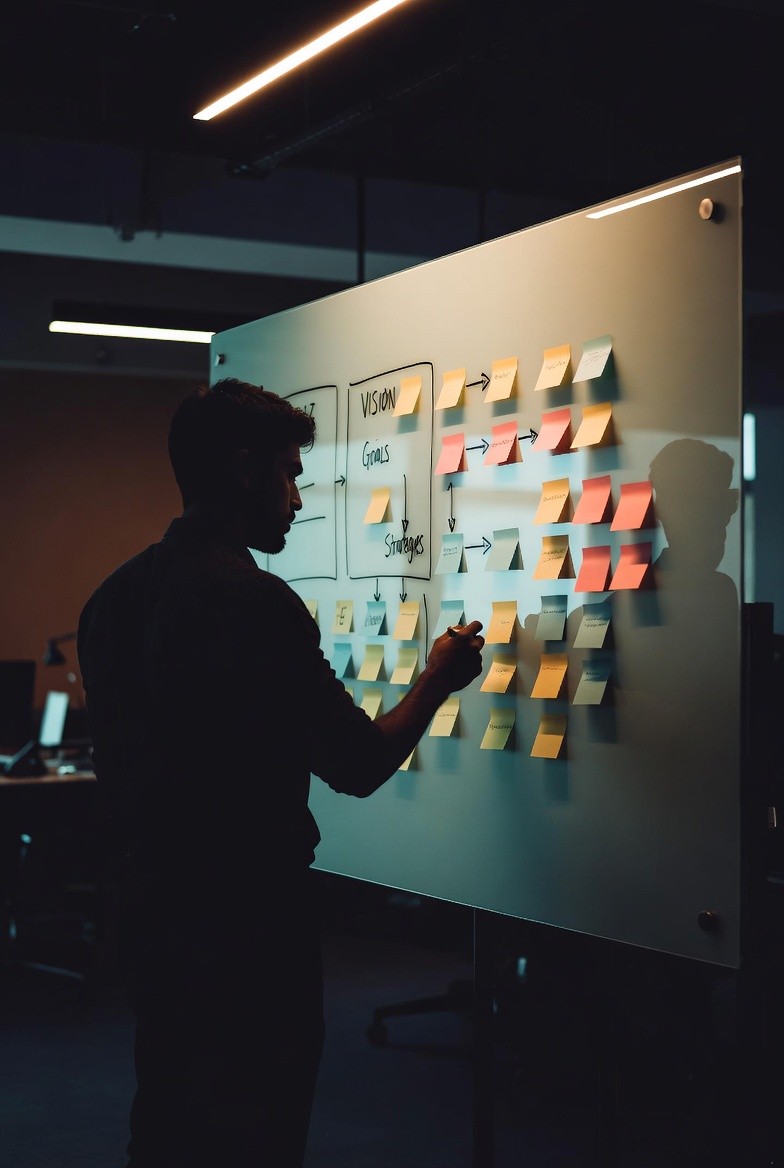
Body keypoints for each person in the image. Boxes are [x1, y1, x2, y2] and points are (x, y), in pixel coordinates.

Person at [77, 377, 484, 1168]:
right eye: (289, 473)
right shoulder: (254, 604)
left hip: (153, 915)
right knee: (256, 1130)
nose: (297, 499)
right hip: (249, 932)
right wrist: (438, 677)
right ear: (243, 470)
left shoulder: (110, 600)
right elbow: (358, 764)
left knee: (166, 1121)